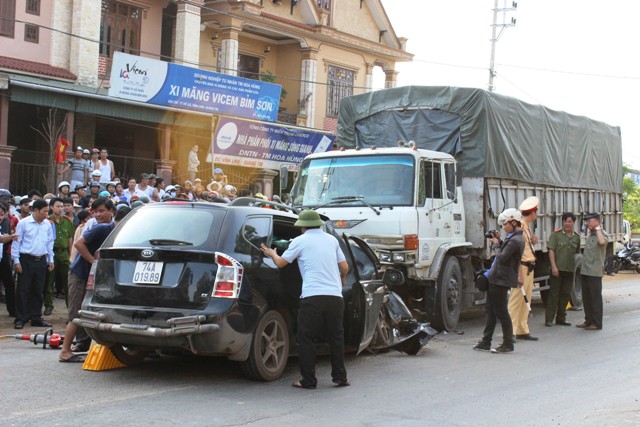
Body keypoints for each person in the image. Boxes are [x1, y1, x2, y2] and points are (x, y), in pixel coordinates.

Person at [260, 210, 350, 389]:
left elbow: (281, 264)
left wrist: (272, 253)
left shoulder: (299, 241)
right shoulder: (331, 240)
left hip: (312, 297)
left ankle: (308, 380)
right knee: (336, 338)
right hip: (335, 297)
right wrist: (343, 278)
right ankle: (340, 377)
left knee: (306, 339)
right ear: (318, 224)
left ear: (302, 227)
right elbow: (345, 267)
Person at [58, 199, 122, 363]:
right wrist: (95, 264)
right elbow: (79, 244)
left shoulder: (117, 233)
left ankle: (83, 345)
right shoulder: (102, 228)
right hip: (79, 275)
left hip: (93, 278)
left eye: (102, 211)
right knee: (76, 314)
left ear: (111, 211)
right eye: (96, 211)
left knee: (91, 313)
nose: (99, 214)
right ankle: (65, 351)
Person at [474, 208, 525, 354]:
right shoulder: (512, 237)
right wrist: (500, 241)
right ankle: (486, 341)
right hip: (496, 278)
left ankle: (508, 343)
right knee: (490, 310)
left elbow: (502, 258)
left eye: (505, 224)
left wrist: (496, 244)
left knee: (502, 312)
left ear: (514, 222)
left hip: (501, 280)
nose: (503, 227)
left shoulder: (516, 239)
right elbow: (505, 251)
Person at [11, 199, 54, 329]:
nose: (46, 214)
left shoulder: (47, 224)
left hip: (41, 260)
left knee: (38, 290)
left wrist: (50, 259)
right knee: (23, 290)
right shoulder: (23, 223)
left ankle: (36, 317)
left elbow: (49, 242)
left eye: (47, 211)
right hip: (26, 260)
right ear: (35, 210)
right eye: (44, 211)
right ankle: (21, 318)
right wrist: (16, 261)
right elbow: (17, 243)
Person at [508, 196, 539, 342]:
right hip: (522, 266)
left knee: (526, 299)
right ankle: (511, 331)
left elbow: (526, 247)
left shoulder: (525, 227)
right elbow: (517, 253)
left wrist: (533, 241)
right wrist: (519, 273)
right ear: (532, 213)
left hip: (529, 267)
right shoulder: (520, 228)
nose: (536, 215)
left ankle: (522, 329)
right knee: (516, 300)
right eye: (536, 212)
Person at [545, 212, 581, 327]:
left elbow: (576, 253)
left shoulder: (577, 237)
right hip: (557, 270)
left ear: (573, 223)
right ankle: (549, 319)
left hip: (570, 270)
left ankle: (561, 318)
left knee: (565, 294)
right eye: (565, 221)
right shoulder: (556, 235)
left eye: (570, 221)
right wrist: (554, 266)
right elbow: (551, 251)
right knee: (554, 294)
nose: (567, 224)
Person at [43, 197, 74, 315]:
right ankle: (48, 305)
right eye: (58, 206)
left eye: (62, 206)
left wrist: (71, 254)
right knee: (49, 281)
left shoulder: (67, 221)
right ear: (51, 207)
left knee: (67, 282)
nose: (61, 209)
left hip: (64, 253)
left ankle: (70, 307)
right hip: (51, 253)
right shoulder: (47, 221)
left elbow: (70, 238)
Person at [577, 212, 608, 330]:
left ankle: (597, 323)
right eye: (587, 221)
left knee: (595, 298)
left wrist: (598, 229)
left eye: (590, 221)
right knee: (586, 298)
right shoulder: (591, 234)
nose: (588, 223)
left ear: (597, 221)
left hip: (594, 272)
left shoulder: (602, 234)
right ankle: (588, 319)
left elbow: (601, 242)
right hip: (585, 270)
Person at [0, 202, 18, 317]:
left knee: (10, 284)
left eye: (2, 214)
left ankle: (13, 311)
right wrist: (11, 236)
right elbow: (2, 239)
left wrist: (9, 237)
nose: (0, 217)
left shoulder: (5, 222)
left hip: (3, 258)